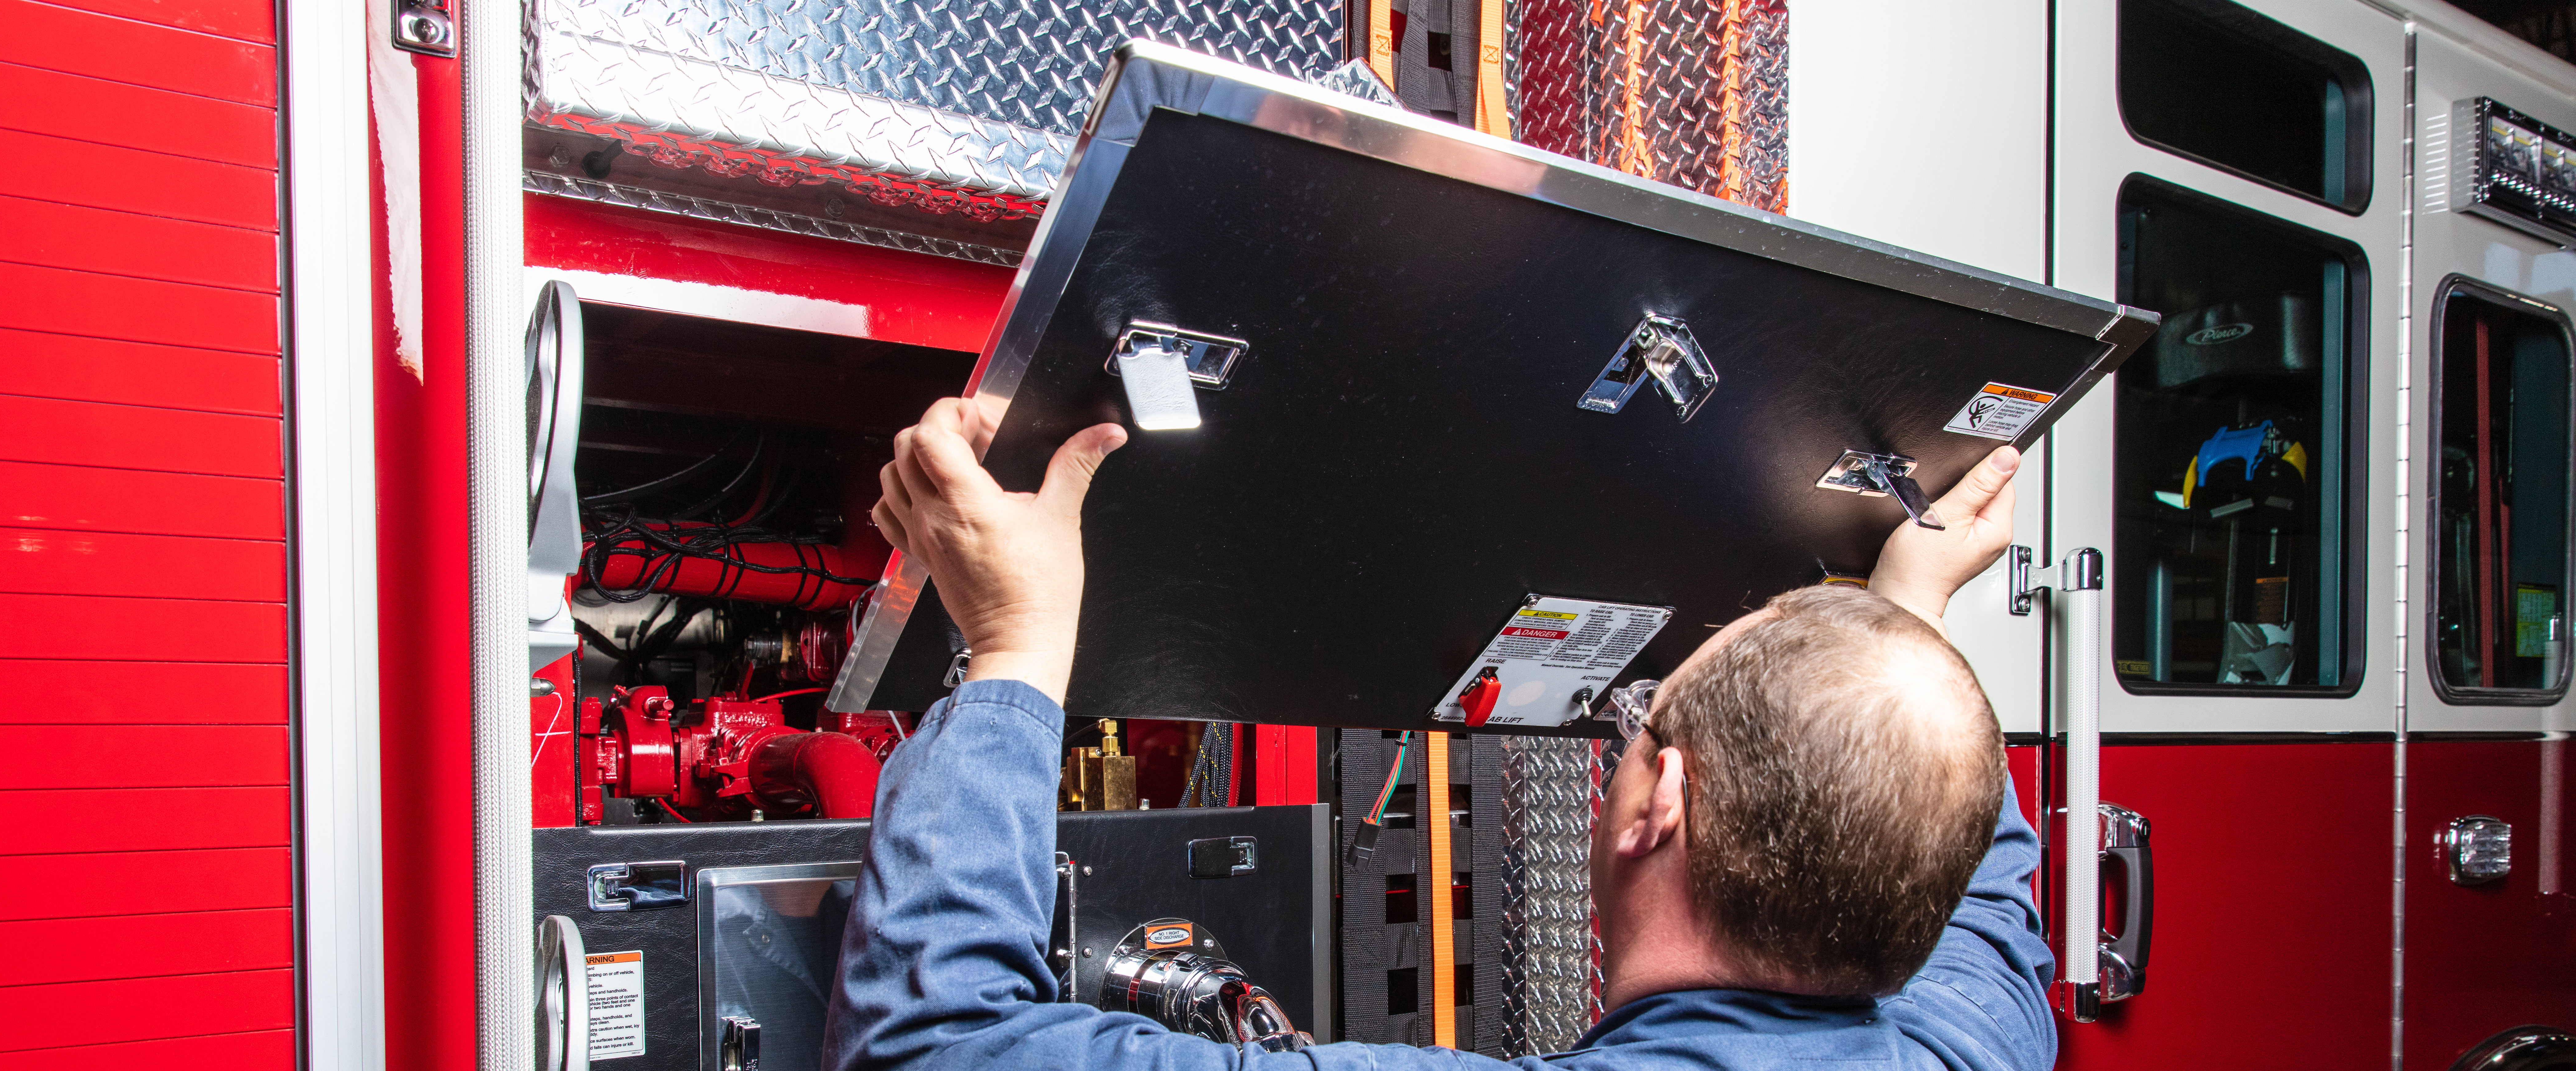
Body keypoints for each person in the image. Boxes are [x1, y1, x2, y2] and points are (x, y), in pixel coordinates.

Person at [827, 398, 2052, 1071]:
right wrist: (1904, 611)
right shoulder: (1973, 1041)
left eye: (1643, 716)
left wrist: (1013, 645)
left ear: (1658, 800)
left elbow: (936, 1046)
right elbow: (1983, 893)